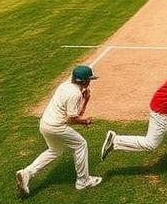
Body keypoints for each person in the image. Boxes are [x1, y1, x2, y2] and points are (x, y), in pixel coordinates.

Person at [16, 65, 102, 196]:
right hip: (56, 127)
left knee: (54, 150)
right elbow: (72, 119)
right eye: (89, 79)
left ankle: (27, 172)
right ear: (85, 81)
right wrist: (85, 118)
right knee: (81, 144)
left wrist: (84, 99)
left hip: (45, 124)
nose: (90, 81)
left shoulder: (65, 85)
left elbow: (72, 115)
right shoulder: (75, 94)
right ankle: (83, 181)